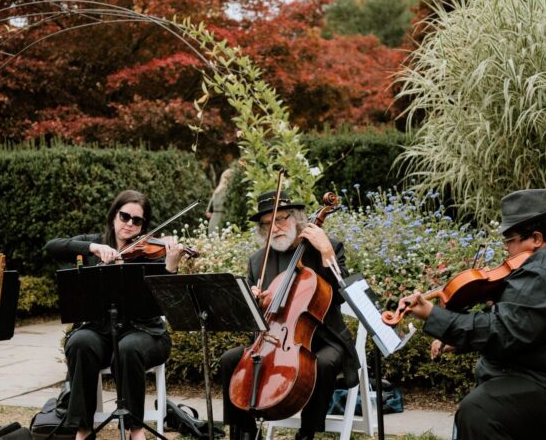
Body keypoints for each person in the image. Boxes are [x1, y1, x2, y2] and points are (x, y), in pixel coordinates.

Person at [398, 189, 546, 439]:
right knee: (490, 381)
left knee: (480, 411)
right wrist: (462, 339)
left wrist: (433, 315)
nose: (507, 250)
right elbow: (527, 325)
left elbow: (503, 332)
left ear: (537, 238)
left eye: (509, 240)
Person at [218, 190, 360, 440]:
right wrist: (253, 302)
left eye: (281, 219)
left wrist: (326, 252)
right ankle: (245, 432)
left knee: (321, 364)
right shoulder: (258, 261)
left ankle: (306, 433)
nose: (274, 228)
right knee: (230, 359)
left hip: (324, 338)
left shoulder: (326, 247)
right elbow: (250, 320)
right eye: (267, 223)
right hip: (273, 341)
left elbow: (343, 295)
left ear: (296, 218)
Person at [45, 189, 185, 440]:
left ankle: (135, 429)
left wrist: (171, 267)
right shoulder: (95, 244)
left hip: (144, 331)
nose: (129, 224)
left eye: (137, 220)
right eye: (124, 216)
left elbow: (168, 301)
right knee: (80, 342)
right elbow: (52, 247)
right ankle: (83, 429)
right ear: (113, 216)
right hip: (100, 329)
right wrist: (93, 248)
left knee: (128, 348)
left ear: (143, 226)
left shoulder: (150, 253)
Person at [205, 167, 235, 235]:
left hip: (214, 218)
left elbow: (208, 210)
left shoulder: (217, 190)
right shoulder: (228, 191)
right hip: (221, 218)